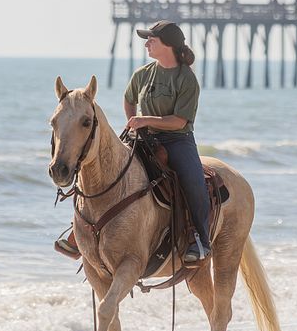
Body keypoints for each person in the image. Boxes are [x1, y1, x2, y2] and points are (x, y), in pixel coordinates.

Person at [55, 20, 211, 264]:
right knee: (101, 167)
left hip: (177, 140)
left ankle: (200, 239)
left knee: (193, 181)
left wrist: (144, 119)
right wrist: (132, 121)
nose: (147, 44)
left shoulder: (186, 79)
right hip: (142, 135)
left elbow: (180, 121)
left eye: (152, 40)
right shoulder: (142, 74)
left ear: (167, 45)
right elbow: (128, 100)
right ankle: (80, 233)